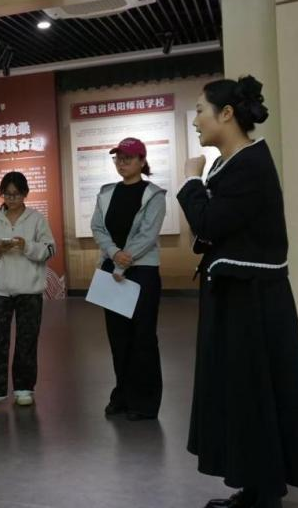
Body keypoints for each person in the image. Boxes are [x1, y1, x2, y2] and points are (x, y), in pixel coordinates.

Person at [179, 76, 298, 508]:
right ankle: (254, 486)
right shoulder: (232, 164)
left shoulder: (250, 164)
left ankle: (264, 493)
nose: (196, 121)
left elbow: (209, 223)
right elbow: (214, 231)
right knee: (241, 393)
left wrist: (190, 182)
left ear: (226, 114)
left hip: (253, 301)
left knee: (253, 392)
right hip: (237, 296)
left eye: (200, 111)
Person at [90, 137, 166, 421]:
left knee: (142, 337)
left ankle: (144, 402)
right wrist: (114, 253)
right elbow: (97, 227)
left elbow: (148, 234)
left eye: (128, 158)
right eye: (118, 158)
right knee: (118, 337)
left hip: (142, 270)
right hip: (112, 268)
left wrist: (124, 258)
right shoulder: (106, 192)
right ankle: (122, 395)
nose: (122, 163)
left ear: (142, 161)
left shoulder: (154, 195)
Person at [0, 171, 55, 414]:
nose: (11, 199)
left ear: (25, 194)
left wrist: (26, 246)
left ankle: (24, 388)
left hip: (30, 290)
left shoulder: (36, 219)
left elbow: (49, 250)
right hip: (0, 290)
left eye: (16, 194)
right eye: (7, 194)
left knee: (27, 340)